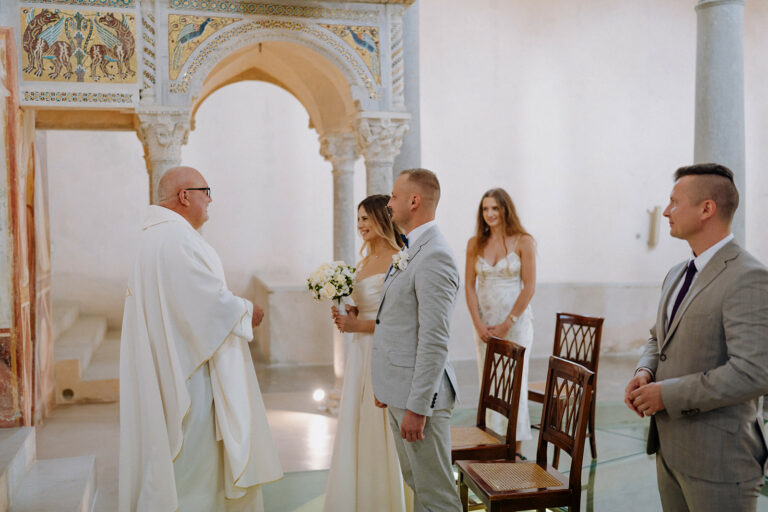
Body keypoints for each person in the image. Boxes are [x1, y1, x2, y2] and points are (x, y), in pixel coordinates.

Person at [119, 166, 283, 512]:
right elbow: (201, 302)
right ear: (184, 196)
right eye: (206, 191)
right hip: (191, 372)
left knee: (184, 463)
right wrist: (244, 309)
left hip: (174, 359)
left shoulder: (157, 236)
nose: (210, 200)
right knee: (196, 464)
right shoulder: (175, 238)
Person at [625, 163, 768, 511]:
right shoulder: (677, 273)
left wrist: (666, 395)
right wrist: (644, 371)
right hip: (670, 450)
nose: (667, 211)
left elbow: (753, 373)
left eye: (675, 202)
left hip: (719, 459)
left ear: (707, 209)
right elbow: (658, 339)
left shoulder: (748, 277)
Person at [371, 169, 462, 512]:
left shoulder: (435, 254)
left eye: (394, 196)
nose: (388, 204)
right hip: (401, 389)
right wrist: (386, 383)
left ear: (414, 200)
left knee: (437, 496)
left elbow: (435, 339)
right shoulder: (413, 248)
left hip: (422, 398)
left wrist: (417, 408)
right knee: (418, 485)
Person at [323, 194, 407, 512]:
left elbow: (399, 319)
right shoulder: (365, 261)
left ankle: (384, 499)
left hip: (381, 350)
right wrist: (353, 313)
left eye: (365, 218)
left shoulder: (400, 259)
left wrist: (358, 326)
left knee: (378, 425)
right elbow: (373, 307)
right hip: (360, 353)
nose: (359, 225)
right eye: (358, 219)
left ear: (382, 219)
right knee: (358, 424)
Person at [465, 188, 536, 459]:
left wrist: (508, 323)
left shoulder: (523, 241)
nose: (490, 214)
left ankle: (515, 447)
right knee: (489, 383)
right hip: (484, 326)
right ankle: (492, 441)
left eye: (495, 208)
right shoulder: (475, 244)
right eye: (485, 209)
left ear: (506, 209)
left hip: (515, 325)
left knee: (514, 383)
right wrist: (478, 324)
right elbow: (469, 288)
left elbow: (529, 287)